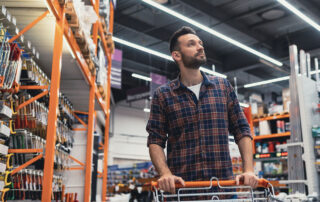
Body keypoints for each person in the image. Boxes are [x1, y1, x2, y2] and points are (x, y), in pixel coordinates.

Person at [146, 26, 259, 199]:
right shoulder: (163, 95)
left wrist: (249, 170)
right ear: (177, 55)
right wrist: (165, 173)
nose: (200, 47)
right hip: (183, 193)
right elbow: (155, 140)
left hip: (222, 191)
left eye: (200, 43)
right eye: (192, 44)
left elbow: (242, 130)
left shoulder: (223, 87)